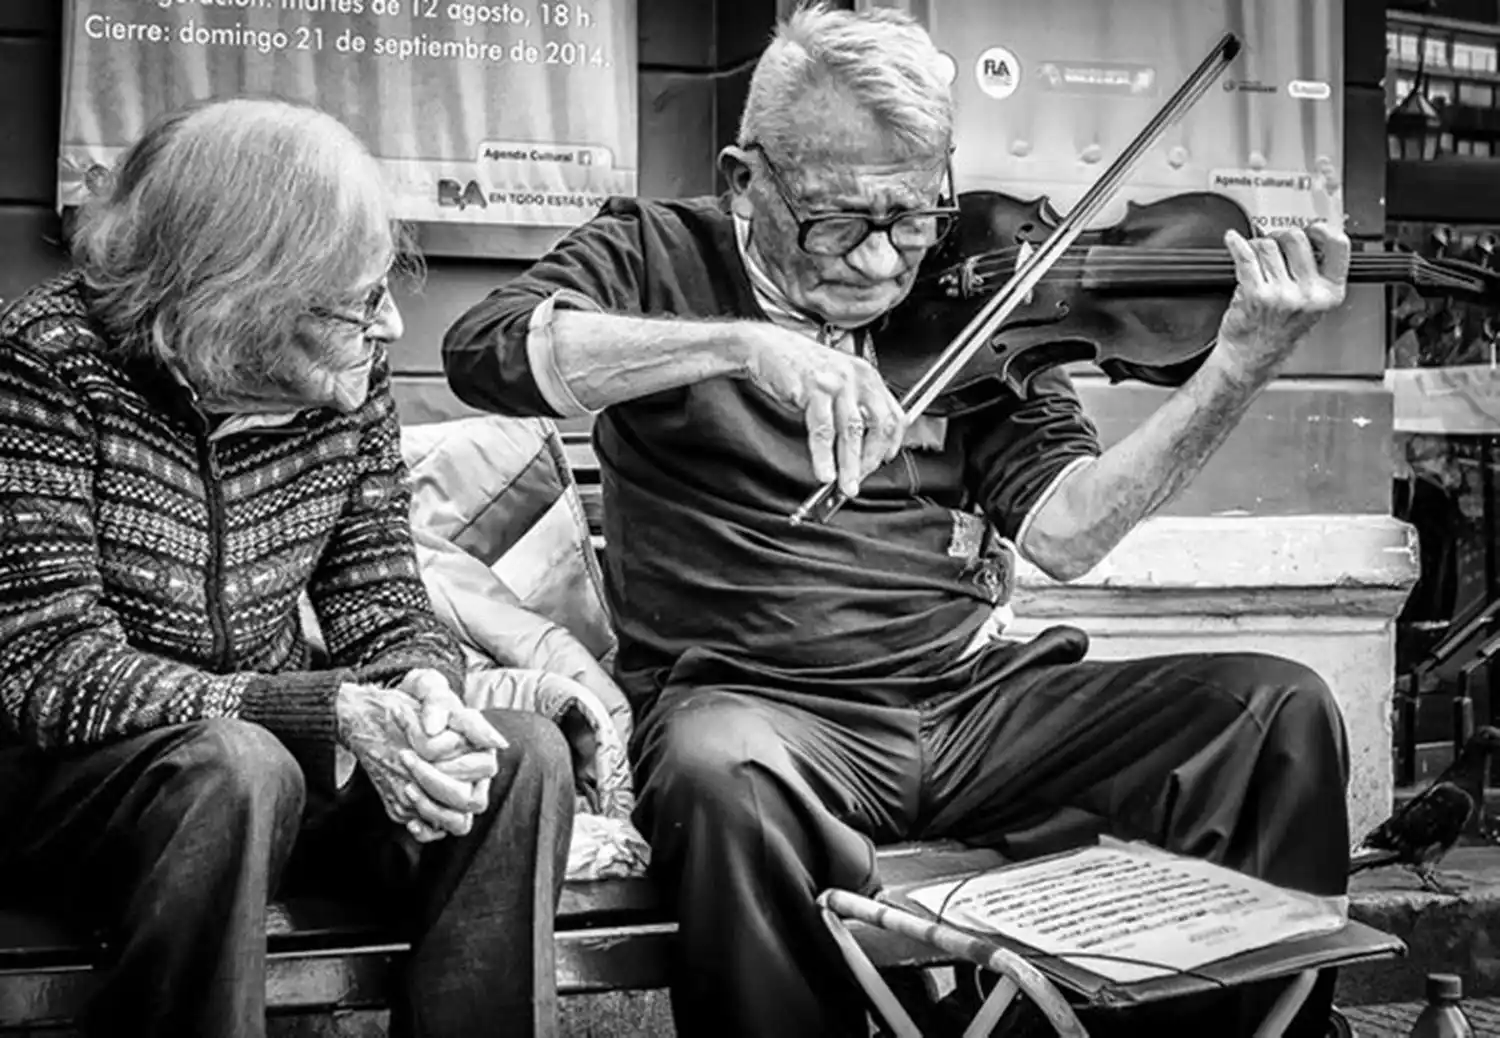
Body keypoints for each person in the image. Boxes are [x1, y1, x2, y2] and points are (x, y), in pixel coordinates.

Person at [442, 4, 1353, 1036]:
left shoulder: (985, 298)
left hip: (978, 708)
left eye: (914, 216)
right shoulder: (657, 254)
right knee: (718, 774)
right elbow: (488, 348)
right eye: (841, 221)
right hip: (768, 718)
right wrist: (743, 346)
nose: (884, 263)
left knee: (1275, 715)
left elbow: (1066, 533)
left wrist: (1236, 369)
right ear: (748, 180)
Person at [0, 97, 574, 1038]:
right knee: (237, 768)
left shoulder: (345, 383)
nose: (391, 324)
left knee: (517, 759)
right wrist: (325, 712)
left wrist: (424, 694)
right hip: (76, 793)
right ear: (240, 299)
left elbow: (383, 599)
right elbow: (51, 670)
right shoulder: (46, 364)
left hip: (266, 770)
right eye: (357, 302)